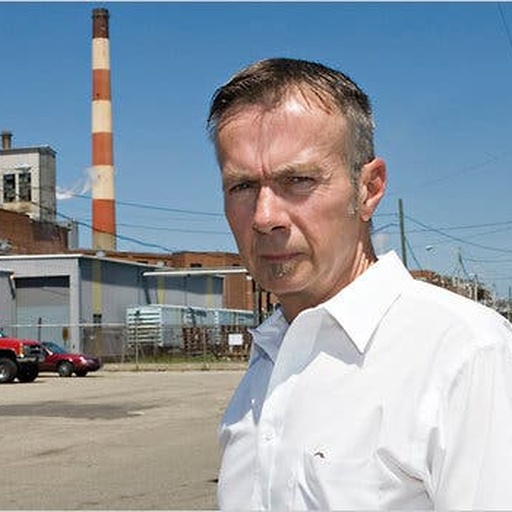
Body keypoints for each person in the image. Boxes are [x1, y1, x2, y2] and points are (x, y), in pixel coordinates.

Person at [207, 57, 512, 510]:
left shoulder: (464, 353)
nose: (265, 217)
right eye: (242, 186)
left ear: (368, 189)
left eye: (298, 180)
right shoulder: (269, 359)